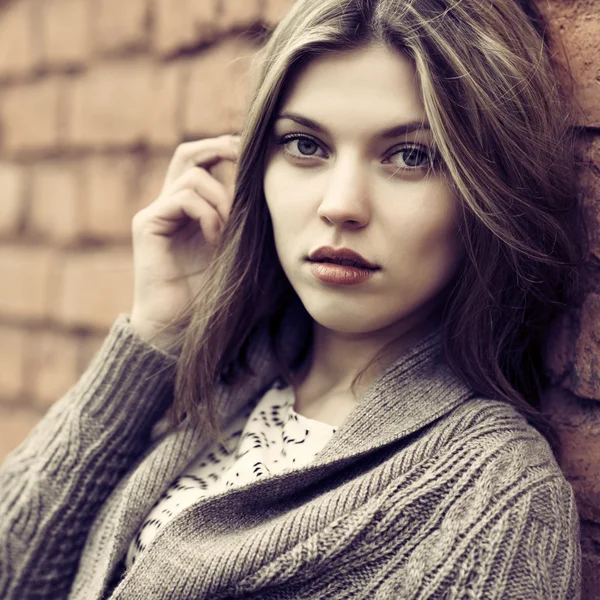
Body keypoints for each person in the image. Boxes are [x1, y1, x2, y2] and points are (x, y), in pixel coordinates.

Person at [0, 0, 588, 597]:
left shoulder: (496, 496)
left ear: (484, 190)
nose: (340, 205)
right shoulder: (230, 387)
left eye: (410, 156)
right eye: (306, 146)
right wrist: (154, 338)